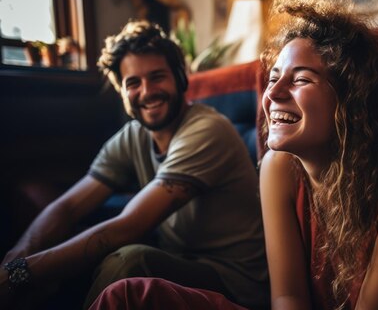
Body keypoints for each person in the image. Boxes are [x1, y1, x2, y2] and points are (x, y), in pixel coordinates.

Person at [88, 0, 378, 310]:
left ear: (352, 96)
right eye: (273, 78)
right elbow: (287, 296)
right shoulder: (278, 166)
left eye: (301, 78)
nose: (272, 95)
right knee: (126, 295)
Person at [0, 20, 269, 309]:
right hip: (179, 260)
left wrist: (19, 275)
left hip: (235, 280)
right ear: (122, 92)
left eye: (157, 77)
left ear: (181, 77)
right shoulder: (133, 136)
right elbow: (68, 206)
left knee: (127, 262)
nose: (147, 91)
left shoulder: (207, 130)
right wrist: (13, 261)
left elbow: (128, 226)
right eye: (133, 83)